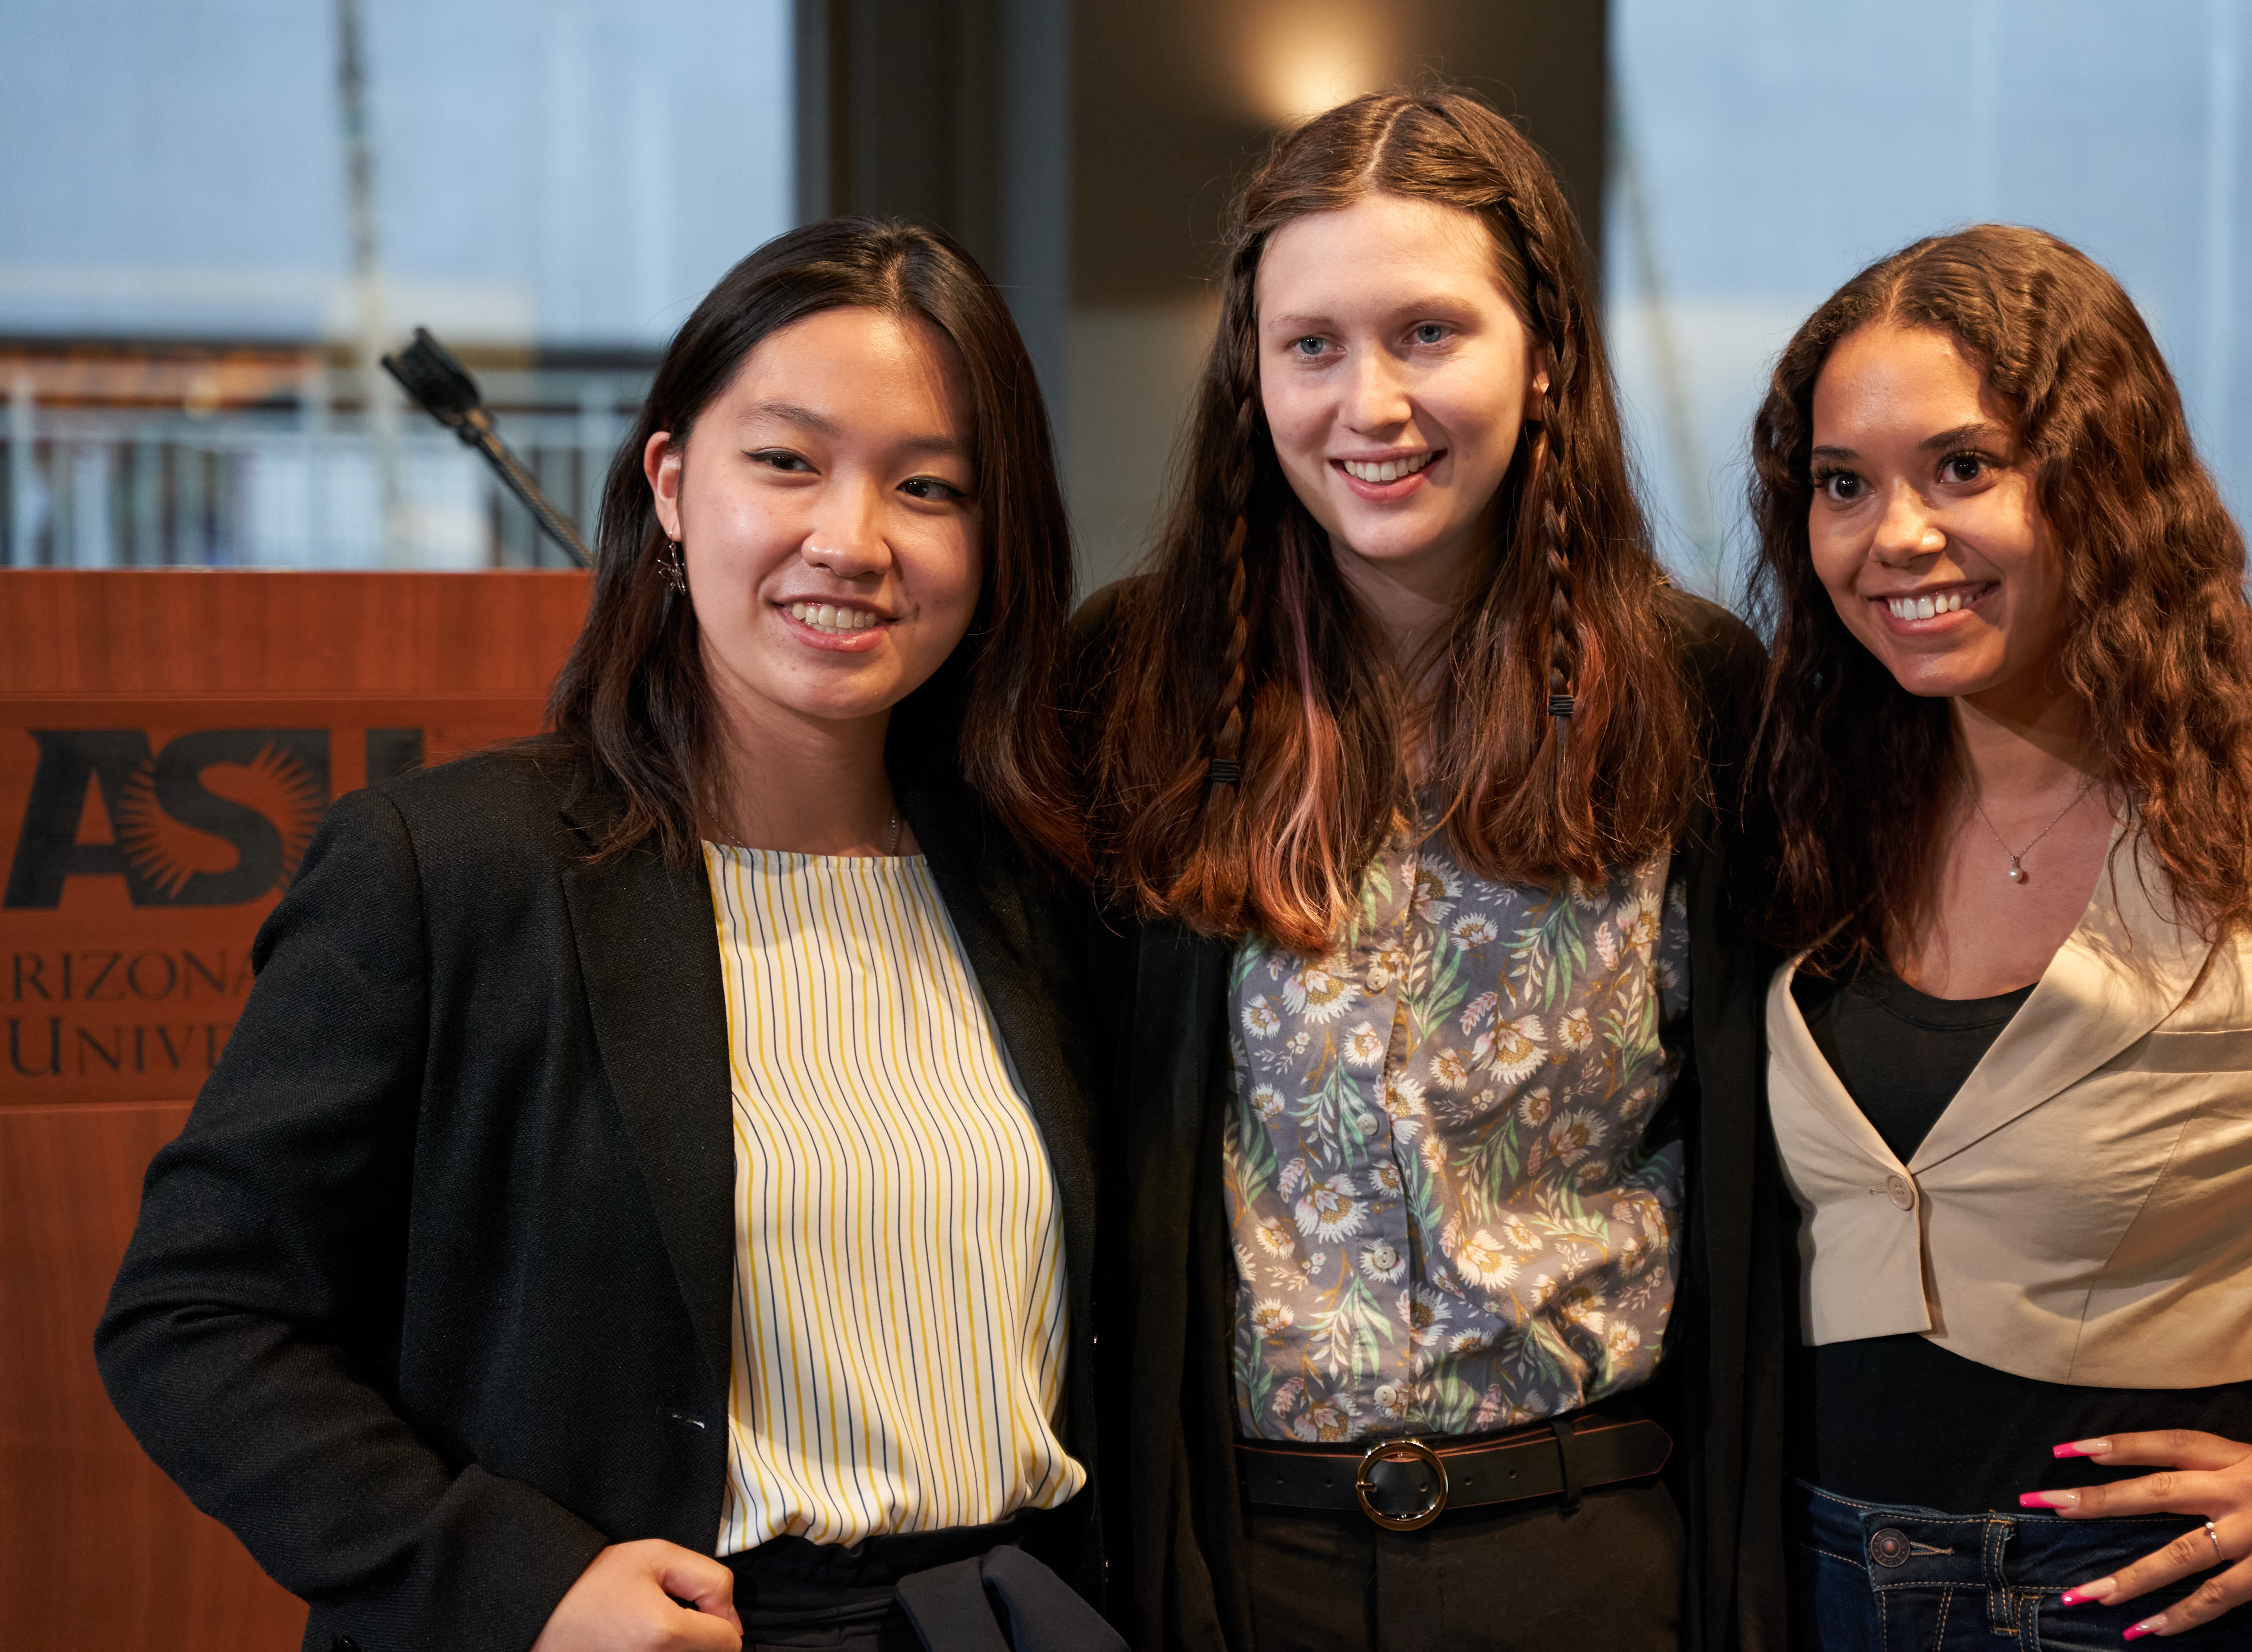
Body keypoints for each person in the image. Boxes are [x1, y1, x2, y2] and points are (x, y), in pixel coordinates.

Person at [95, 219, 1126, 1652]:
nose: (854, 538)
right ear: (670, 485)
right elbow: (196, 1318)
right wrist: (520, 1587)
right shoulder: (450, 870)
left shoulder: (1040, 887)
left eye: (930, 486)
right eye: (786, 462)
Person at [1074, 89, 1786, 1652]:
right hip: (1241, 1560)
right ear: (1250, 374)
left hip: (1592, 1547)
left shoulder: (1698, 690)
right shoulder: (1130, 683)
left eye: (1428, 333)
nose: (1369, 402)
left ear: (1543, 358)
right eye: (1311, 343)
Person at [1746, 222, 2252, 1650]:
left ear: (2107, 484)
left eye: (1965, 468)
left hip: (2142, 1615)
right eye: (1845, 485)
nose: (1896, 536)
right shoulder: (1806, 825)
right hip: (1802, 1591)